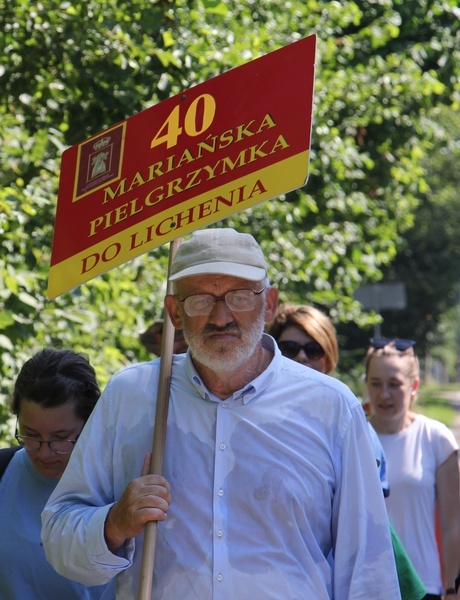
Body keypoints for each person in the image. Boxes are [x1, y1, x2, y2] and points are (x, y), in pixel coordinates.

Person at [42, 227, 401, 599]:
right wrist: (114, 523)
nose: (220, 317)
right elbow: (57, 537)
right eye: (199, 300)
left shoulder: (331, 407)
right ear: (174, 313)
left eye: (240, 297)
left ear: (270, 303)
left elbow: (367, 568)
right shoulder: (132, 397)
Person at [269, 304, 426, 600]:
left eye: (313, 349)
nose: (301, 356)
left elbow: (365, 529)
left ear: (328, 357)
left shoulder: (349, 423)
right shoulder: (252, 420)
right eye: (289, 348)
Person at [0, 348, 113, 599]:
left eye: (60, 438)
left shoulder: (118, 484)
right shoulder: (3, 472)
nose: (44, 453)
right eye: (31, 435)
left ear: (91, 423)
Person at [365, 337, 460, 600]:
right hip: (365, 588)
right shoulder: (352, 436)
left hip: (423, 587)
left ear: (414, 386)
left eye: (395, 385)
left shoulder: (435, 438)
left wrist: (453, 588)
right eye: (376, 384)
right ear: (366, 384)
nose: (384, 394)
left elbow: (454, 525)